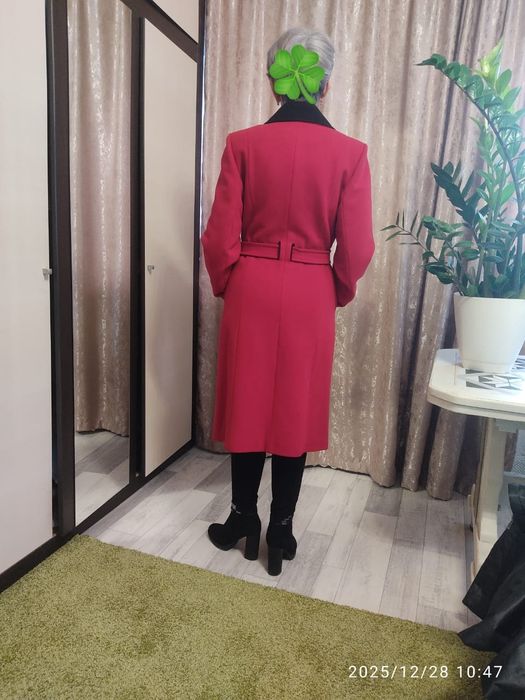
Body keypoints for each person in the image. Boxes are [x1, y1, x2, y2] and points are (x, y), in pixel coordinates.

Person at [201, 26, 375, 576]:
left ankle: (241, 518)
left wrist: (230, 282)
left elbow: (218, 238)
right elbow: (358, 246)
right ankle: (281, 528)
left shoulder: (242, 144)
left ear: (272, 80)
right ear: (326, 84)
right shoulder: (350, 154)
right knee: (294, 407)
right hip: (309, 291)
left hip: (251, 285)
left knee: (249, 404)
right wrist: (335, 288)